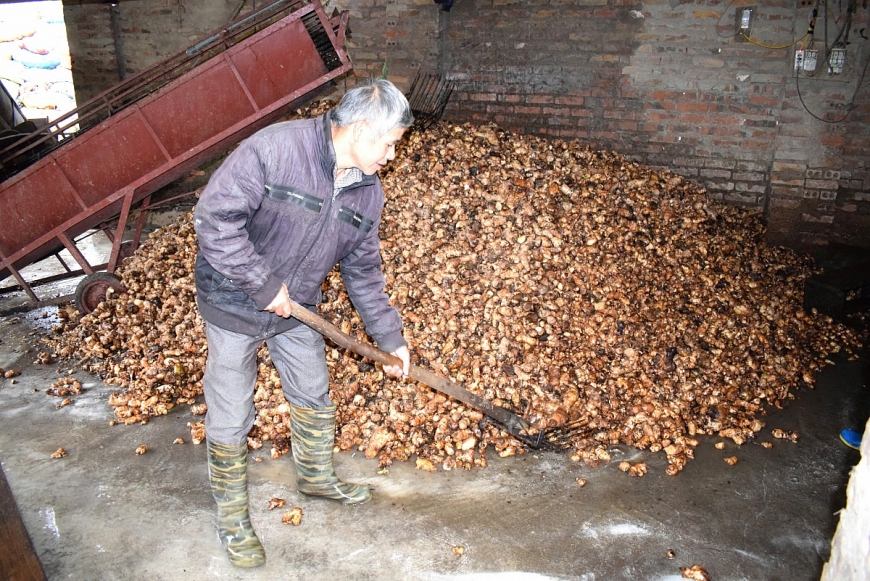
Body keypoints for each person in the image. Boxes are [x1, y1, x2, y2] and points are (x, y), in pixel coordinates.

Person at [193, 79, 413, 568]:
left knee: (313, 392)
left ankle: (315, 478)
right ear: (359, 129)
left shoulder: (367, 192)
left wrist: (390, 338)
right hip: (231, 300)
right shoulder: (274, 150)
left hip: (299, 307)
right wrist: (260, 282)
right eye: (390, 143)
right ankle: (232, 519)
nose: (392, 156)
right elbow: (213, 219)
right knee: (231, 411)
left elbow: (363, 271)